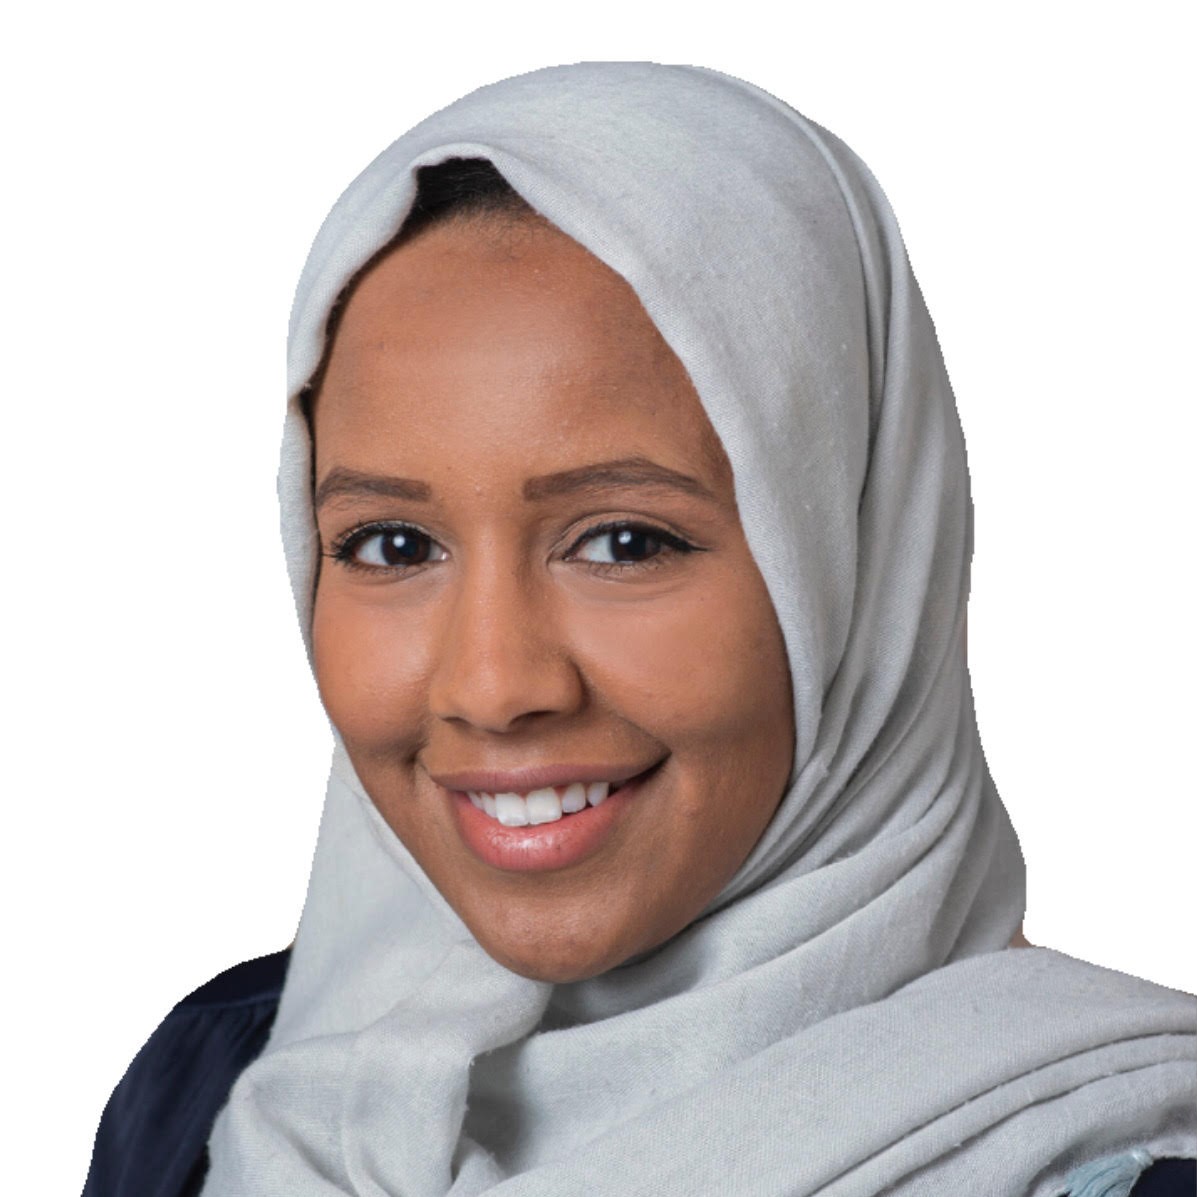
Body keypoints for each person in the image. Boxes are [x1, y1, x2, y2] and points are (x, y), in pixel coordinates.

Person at [84, 62, 1195, 1196]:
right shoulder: (218, 1094)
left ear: (861, 563)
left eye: (622, 542)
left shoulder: (1114, 1156)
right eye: (394, 545)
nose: (492, 683)